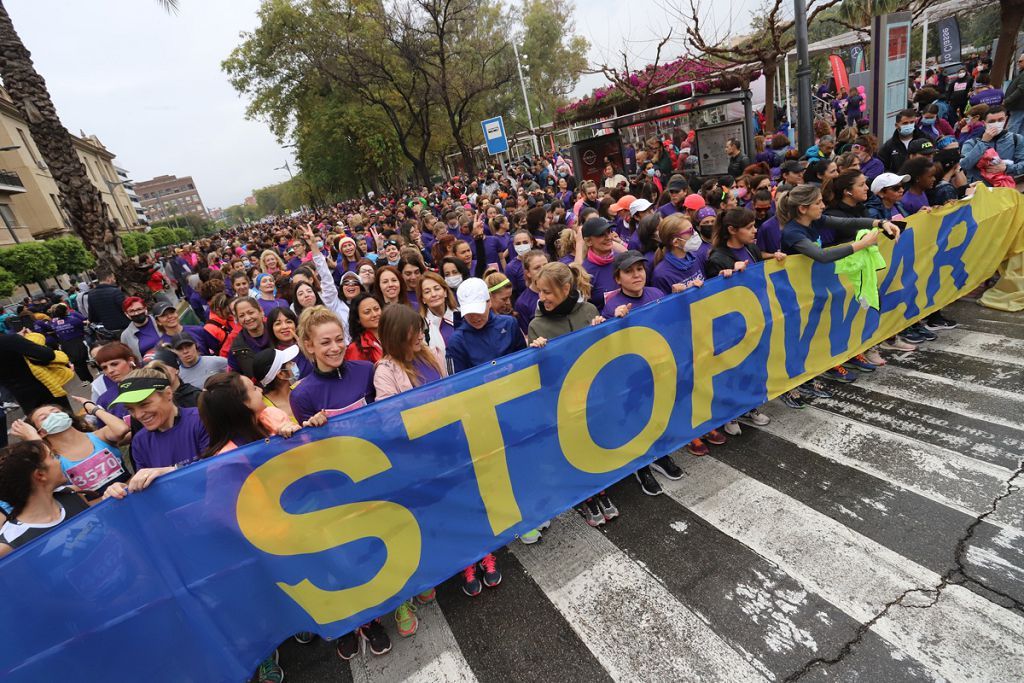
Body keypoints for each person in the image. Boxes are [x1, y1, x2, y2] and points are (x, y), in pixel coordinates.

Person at [102, 369, 210, 498]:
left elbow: (222, 467)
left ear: (168, 394)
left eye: (144, 404)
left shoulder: (202, 419)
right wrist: (123, 490)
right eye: (131, 409)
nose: (138, 415)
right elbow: (146, 491)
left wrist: (171, 472)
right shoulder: (140, 441)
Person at [11, 398, 130, 496]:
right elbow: (49, 474)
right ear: (41, 432)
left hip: (131, 491)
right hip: (98, 510)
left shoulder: (98, 436)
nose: (53, 416)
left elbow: (122, 429)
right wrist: (33, 437)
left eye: (56, 412)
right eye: (44, 418)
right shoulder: (53, 460)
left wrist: (93, 408)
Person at [0, 440, 92, 558]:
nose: (59, 461)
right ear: (40, 475)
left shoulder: (72, 494)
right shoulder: (10, 544)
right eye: (52, 457)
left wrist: (115, 493)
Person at [445, 278, 527, 374]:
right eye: (469, 313)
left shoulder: (509, 323)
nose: (475, 317)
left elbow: (525, 360)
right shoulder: (456, 341)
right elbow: (456, 382)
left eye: (479, 311)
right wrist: (483, 379)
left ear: (489, 302)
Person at [960, 106, 1024, 181]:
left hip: (1005, 188)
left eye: (1000, 120)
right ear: (984, 123)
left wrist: (1007, 168)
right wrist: (983, 142)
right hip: (980, 188)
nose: (996, 124)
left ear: (1006, 119)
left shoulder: (1016, 139)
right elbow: (965, 165)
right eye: (992, 121)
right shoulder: (971, 143)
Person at [651, 214, 706, 295]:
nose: (695, 234)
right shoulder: (661, 274)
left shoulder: (696, 256)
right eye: (690, 231)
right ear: (676, 242)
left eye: (693, 229)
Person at [251, 346, 302, 423]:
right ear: (281, 374)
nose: (294, 364)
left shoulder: (301, 388)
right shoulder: (265, 408)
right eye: (289, 362)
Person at [227, 297, 273, 377]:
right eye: (241, 315)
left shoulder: (277, 333)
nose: (247, 318)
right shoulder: (236, 348)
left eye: (251, 312)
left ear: (261, 311)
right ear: (237, 320)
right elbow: (235, 377)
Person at [418, 272, 459, 358]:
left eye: (437, 289)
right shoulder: (420, 327)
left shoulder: (462, 315)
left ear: (445, 292)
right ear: (423, 299)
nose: (433, 294)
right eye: (427, 292)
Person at [85, 269, 129, 335]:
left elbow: (92, 315)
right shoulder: (115, 291)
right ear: (108, 278)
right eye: (113, 278)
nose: (115, 280)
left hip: (108, 330)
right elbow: (126, 309)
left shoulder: (91, 294)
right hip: (124, 328)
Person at [344, 293, 384, 363]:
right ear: (358, 319)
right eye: (367, 312)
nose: (375, 314)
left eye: (377, 309)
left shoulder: (394, 337)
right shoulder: (355, 349)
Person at [119, 296, 161, 361]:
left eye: (139, 309)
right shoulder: (125, 336)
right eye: (131, 311)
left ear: (145, 309)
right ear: (126, 314)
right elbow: (129, 358)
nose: (136, 313)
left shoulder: (160, 320)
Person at [1004, 53, 1024, 135]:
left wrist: (1007, 100)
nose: (1018, 63)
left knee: (1013, 128)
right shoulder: (1021, 73)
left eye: (1020, 61)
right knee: (1020, 129)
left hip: (1018, 107)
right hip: (1019, 106)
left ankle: (1011, 146)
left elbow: (1021, 89)